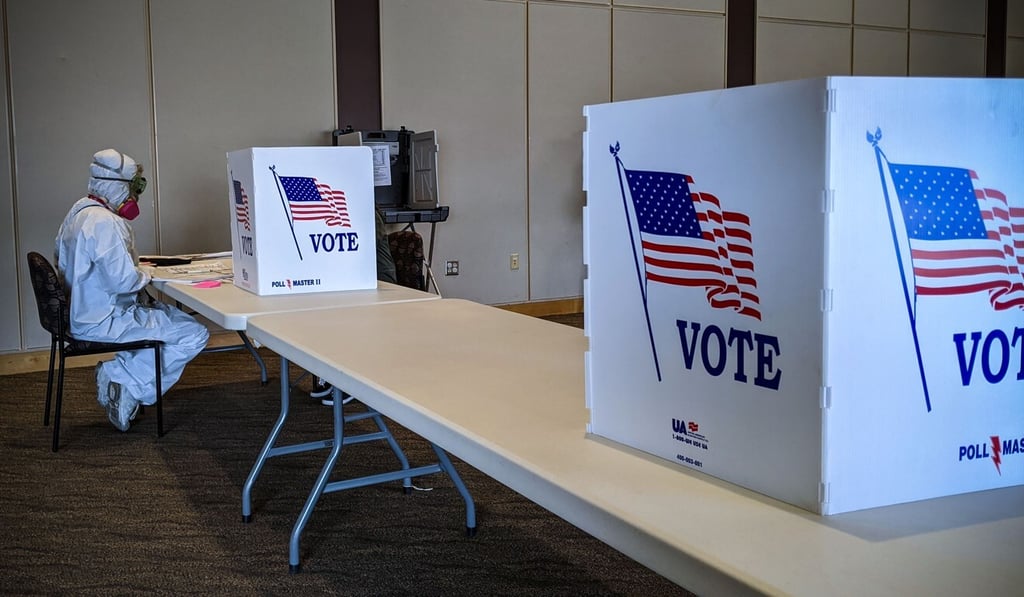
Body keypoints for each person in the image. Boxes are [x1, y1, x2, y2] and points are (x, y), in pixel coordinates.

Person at [54, 148, 210, 431]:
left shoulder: (79, 212)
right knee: (194, 334)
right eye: (135, 187)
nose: (136, 196)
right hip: (102, 320)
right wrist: (146, 273)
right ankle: (124, 382)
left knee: (174, 321)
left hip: (83, 313)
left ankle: (118, 375)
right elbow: (123, 282)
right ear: (118, 187)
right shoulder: (105, 222)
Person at [309, 206, 396, 405]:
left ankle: (352, 383)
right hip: (356, 280)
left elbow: (359, 248)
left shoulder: (365, 210)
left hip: (380, 283)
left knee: (344, 320)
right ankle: (332, 377)